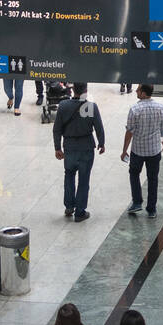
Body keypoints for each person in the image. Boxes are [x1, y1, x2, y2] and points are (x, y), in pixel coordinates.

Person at [53, 83, 105, 221]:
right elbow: (99, 127)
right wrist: (101, 143)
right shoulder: (91, 107)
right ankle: (80, 212)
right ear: (85, 91)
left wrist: (57, 147)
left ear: (72, 90)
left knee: (69, 175)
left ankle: (69, 207)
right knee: (84, 179)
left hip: (69, 147)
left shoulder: (63, 105)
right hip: (86, 147)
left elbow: (57, 129)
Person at [122, 83, 163, 218]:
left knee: (134, 174)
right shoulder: (160, 108)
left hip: (138, 151)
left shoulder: (134, 109)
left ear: (143, 93)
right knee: (153, 179)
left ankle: (137, 202)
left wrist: (124, 150)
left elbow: (129, 132)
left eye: (138, 90)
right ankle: (151, 209)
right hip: (154, 150)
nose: (136, 91)